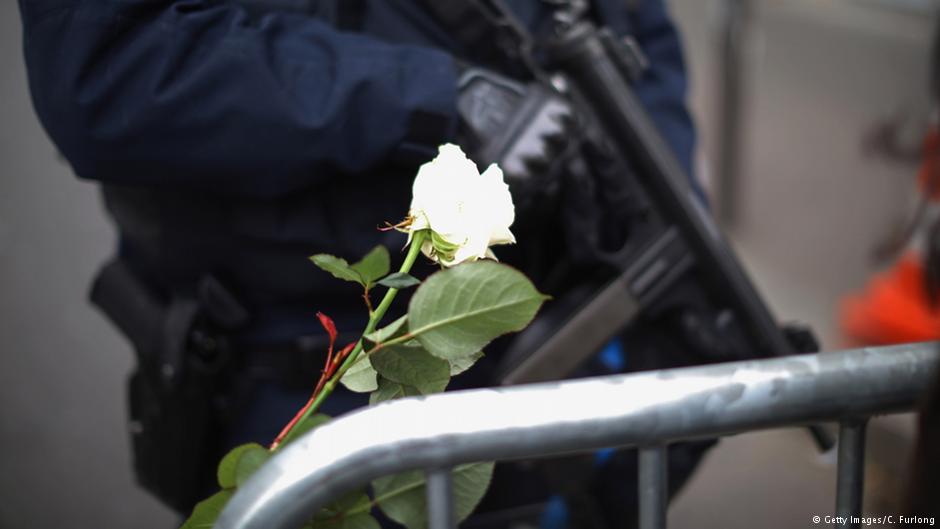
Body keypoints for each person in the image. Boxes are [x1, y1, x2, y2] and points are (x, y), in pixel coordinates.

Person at [17, 0, 705, 526]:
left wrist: (661, 199)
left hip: (561, 341)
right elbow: (112, 70)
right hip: (315, 381)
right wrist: (435, 98)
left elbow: (635, 29)